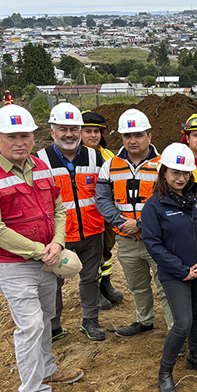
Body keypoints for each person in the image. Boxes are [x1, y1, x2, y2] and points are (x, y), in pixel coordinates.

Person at [0, 104, 83, 392]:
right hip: (14, 265)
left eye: (25, 135)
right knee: (30, 325)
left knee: (46, 316)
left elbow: (58, 208)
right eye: (12, 136)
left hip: (46, 258)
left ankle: (46, 367)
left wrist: (58, 243)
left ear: (34, 137)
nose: (20, 141)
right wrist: (38, 251)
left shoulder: (41, 166)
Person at [142, 143, 197, 392]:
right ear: (164, 172)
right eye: (175, 172)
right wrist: (181, 269)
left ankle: (195, 358)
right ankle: (165, 372)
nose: (181, 178)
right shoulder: (154, 206)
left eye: (185, 173)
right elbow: (153, 244)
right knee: (183, 322)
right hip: (175, 274)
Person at [95, 109, 175, 338]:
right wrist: (123, 223)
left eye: (138, 135)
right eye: (127, 135)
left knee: (167, 286)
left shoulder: (164, 165)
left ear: (149, 135)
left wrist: (141, 224)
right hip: (126, 238)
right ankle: (144, 321)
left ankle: (175, 331)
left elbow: (169, 200)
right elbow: (102, 199)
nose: (132, 140)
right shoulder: (109, 165)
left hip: (158, 238)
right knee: (138, 285)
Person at [37, 103, 106, 342]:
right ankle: (54, 325)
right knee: (52, 283)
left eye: (74, 129)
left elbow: (103, 193)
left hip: (92, 231)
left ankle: (90, 320)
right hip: (58, 237)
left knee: (90, 278)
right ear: (52, 131)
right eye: (63, 128)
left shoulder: (94, 156)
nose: (69, 134)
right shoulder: (40, 161)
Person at [80, 110, 124, 310]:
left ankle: (105, 283)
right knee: (92, 255)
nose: (93, 135)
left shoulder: (108, 156)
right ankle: (93, 288)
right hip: (86, 215)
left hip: (106, 214)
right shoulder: (77, 156)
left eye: (97, 131)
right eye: (87, 131)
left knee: (106, 250)